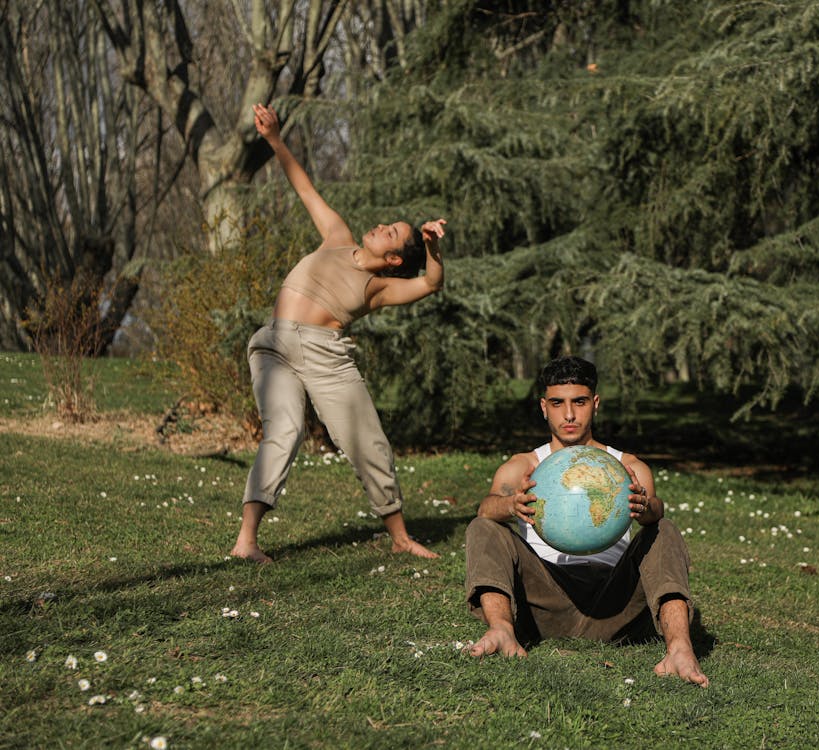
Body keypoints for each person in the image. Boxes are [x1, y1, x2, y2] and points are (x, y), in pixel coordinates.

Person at [230, 103, 444, 564]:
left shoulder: (380, 288)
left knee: (367, 440)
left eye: (392, 234)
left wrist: (430, 249)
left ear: (393, 259)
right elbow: (304, 187)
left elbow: (429, 283)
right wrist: (274, 139)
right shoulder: (336, 235)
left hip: (326, 356)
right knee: (282, 433)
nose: (383, 227)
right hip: (274, 345)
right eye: (389, 224)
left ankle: (400, 536)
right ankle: (246, 540)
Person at [463, 356, 709, 687]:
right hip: (544, 605)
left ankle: (679, 648)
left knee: (663, 529)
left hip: (614, 606)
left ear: (594, 404)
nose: (568, 415)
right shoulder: (522, 466)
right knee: (483, 526)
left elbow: (656, 513)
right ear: (543, 407)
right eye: (557, 403)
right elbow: (486, 509)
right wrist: (510, 504)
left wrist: (646, 506)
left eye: (578, 402)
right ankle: (502, 630)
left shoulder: (628, 467)